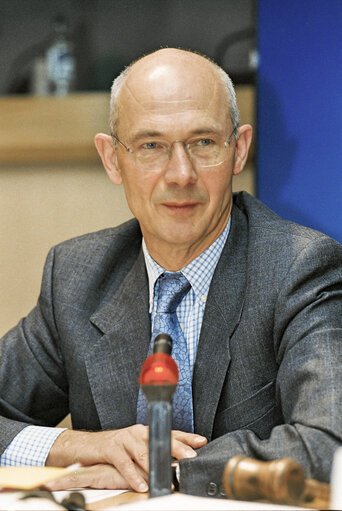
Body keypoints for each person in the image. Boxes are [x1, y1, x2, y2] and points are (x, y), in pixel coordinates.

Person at [0, 48, 341, 499]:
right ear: (111, 159)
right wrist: (75, 446)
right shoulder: (77, 277)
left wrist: (163, 467)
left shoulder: (299, 267)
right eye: (151, 146)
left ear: (238, 150)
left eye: (203, 143)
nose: (180, 174)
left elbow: (329, 447)